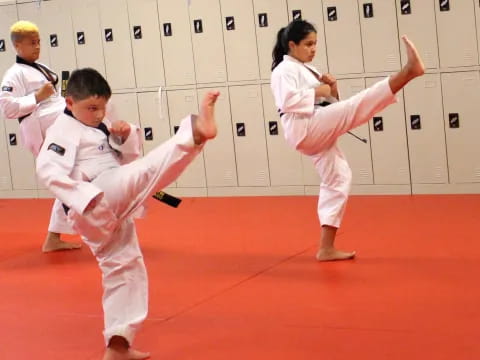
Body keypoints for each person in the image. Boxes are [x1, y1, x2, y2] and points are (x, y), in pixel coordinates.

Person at [36, 67, 218, 360]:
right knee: (145, 173)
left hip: (109, 200)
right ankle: (193, 134)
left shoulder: (98, 123)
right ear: (69, 103)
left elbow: (122, 156)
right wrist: (86, 198)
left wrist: (121, 137)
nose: (98, 114)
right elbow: (47, 171)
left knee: (125, 269)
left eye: (102, 108)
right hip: (96, 195)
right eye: (91, 108)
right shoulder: (61, 130)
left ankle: (118, 344)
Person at [270, 20, 424, 261]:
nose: (313, 49)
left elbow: (334, 107)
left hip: (315, 125)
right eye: (308, 44)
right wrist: (320, 91)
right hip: (304, 127)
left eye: (315, 44)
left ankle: (326, 248)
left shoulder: (308, 69)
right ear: (292, 45)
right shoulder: (283, 70)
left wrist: (332, 88)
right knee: (356, 107)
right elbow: (287, 101)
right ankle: (407, 73)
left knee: (339, 176)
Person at [0, 20, 80, 252]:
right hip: (43, 128)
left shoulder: (40, 67)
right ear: (17, 46)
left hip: (56, 120)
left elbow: (53, 94)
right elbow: (6, 109)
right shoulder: (14, 74)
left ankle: (53, 238)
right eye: (31, 43)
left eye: (38, 42)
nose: (37, 47)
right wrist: (36, 97)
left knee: (73, 177)